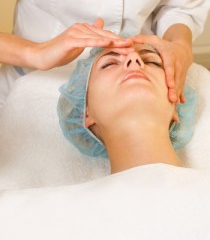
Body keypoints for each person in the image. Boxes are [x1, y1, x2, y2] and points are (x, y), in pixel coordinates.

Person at [0, 0, 209, 110]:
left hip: (140, 98)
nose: (130, 60)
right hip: (35, 87)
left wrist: (180, 44)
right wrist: (35, 53)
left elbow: (180, 6)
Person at [57, 44, 197, 173]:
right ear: (86, 112)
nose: (134, 58)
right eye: (109, 64)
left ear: (177, 104)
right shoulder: (60, 200)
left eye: (152, 62)